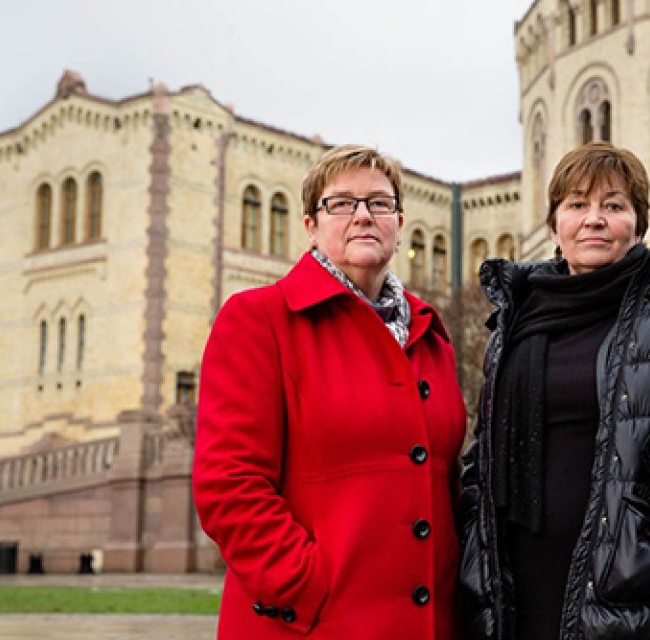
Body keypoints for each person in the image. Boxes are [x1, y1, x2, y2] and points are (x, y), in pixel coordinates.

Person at [457, 142, 650, 640]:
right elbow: (480, 455)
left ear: (638, 223)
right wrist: (474, 543)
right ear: (554, 225)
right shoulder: (517, 319)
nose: (593, 219)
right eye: (576, 205)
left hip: (634, 598)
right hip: (515, 595)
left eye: (613, 206)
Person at [193, 145, 467, 639]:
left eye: (379, 203)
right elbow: (228, 483)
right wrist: (304, 586)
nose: (363, 215)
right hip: (313, 624)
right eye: (341, 203)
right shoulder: (259, 321)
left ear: (399, 221)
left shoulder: (431, 335)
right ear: (311, 226)